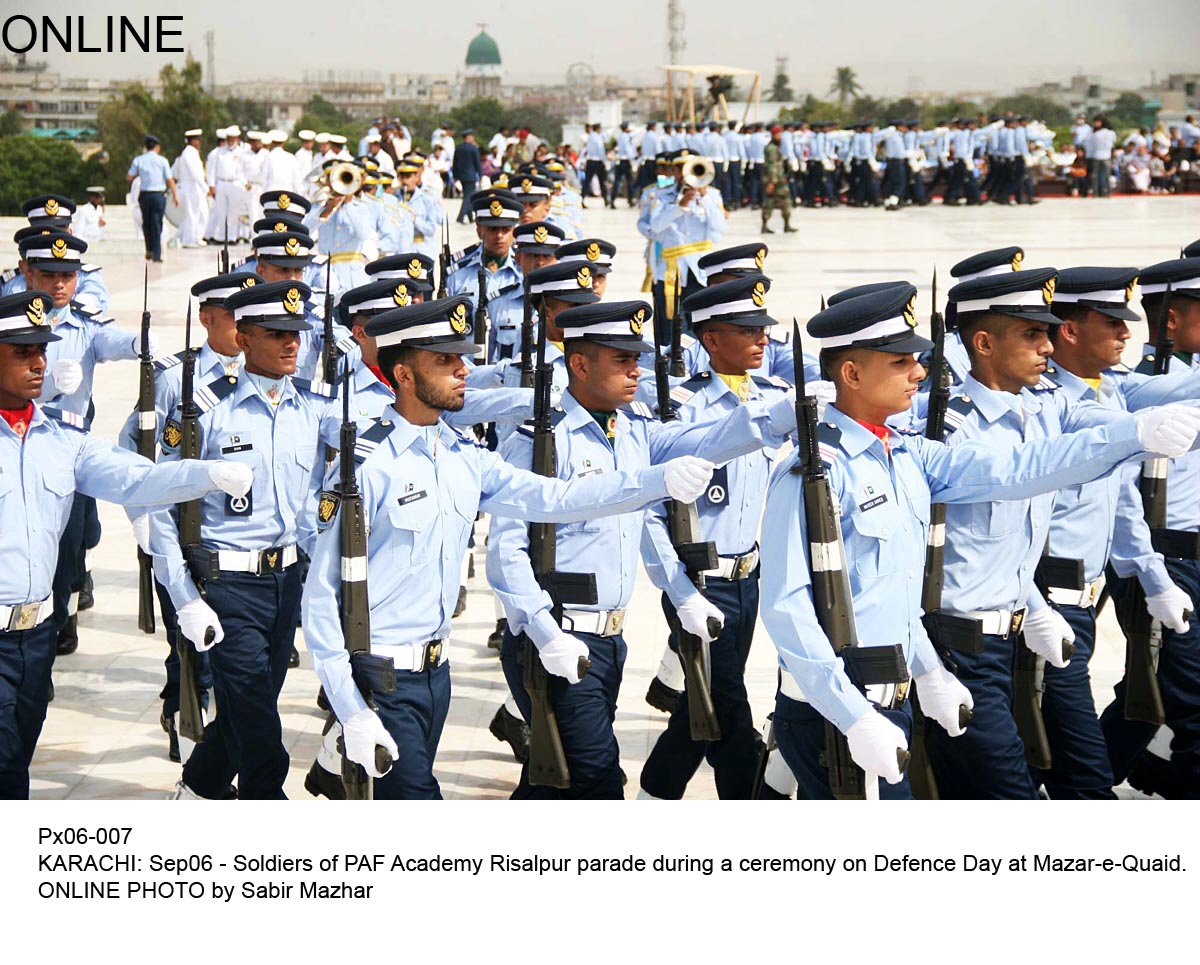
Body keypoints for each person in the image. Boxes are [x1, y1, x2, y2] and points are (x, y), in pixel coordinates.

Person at [758, 284, 1200, 800]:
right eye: (901, 362)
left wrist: (1131, 435)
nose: (920, 373)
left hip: (889, 695)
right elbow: (788, 611)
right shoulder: (813, 472)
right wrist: (853, 717)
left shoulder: (906, 455)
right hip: (836, 712)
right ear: (852, 374)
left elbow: (1012, 470)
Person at [300, 295, 716, 798]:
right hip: (380, 678)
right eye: (445, 360)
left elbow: (556, 497)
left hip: (437, 676)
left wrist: (655, 481)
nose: (463, 371)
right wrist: (349, 707)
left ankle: (332, 761)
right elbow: (321, 597)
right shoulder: (366, 464)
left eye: (462, 357)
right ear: (404, 376)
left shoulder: (463, 455)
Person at [488, 296, 800, 799]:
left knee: (555, 783)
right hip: (557, 638)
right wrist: (545, 633)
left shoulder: (633, 428)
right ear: (580, 363)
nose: (637, 371)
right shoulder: (540, 439)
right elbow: (506, 552)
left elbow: (708, 442)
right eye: (622, 360)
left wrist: (780, 415)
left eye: (636, 358)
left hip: (609, 642)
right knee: (598, 780)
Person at [925, 267, 1200, 799]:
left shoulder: (1049, 405)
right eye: (1032, 333)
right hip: (972, 637)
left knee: (1028, 772)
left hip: (1031, 618)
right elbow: (1028, 469)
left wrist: (1136, 434)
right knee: (1064, 777)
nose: (1046, 345)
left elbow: (1102, 442)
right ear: (982, 343)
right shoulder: (953, 428)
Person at [0, 289, 253, 799]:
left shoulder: (60, 437)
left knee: (18, 763)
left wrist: (204, 474)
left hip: (36, 638)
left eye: (42, 350)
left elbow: (135, 479)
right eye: (22, 351)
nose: (39, 362)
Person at [149, 281, 341, 801]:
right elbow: (156, 499)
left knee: (247, 703)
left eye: (296, 334)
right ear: (243, 336)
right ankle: (265, 799)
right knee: (257, 708)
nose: (290, 345)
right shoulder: (207, 410)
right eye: (276, 333)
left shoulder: (312, 408)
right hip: (226, 581)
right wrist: (182, 593)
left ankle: (200, 787)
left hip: (287, 578)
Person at [1035, 266, 1200, 799]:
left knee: (1079, 747)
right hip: (1043, 599)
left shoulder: (1109, 394)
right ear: (1070, 330)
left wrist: (1153, 581)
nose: (1125, 332)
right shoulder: (1042, 403)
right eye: (1111, 322)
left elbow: (1123, 502)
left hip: (1092, 590)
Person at [637, 276, 792, 799]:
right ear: (710, 339)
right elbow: (650, 513)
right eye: (746, 329)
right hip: (703, 579)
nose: (761, 338)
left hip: (752, 580)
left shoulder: (777, 399)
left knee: (702, 705)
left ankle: (653, 795)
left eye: (762, 328)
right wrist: (680, 593)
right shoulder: (684, 409)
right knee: (725, 703)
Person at [117, 271, 257, 762]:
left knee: (231, 653)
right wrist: (142, 515)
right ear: (207, 319)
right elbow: (134, 446)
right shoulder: (176, 377)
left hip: (238, 534)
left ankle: (222, 741)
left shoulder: (264, 374)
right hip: (181, 530)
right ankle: (182, 711)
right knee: (188, 639)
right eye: (233, 318)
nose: (243, 329)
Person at [1100, 256, 1200, 798]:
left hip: (1191, 556)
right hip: (1167, 560)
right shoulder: (1142, 388)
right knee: (1192, 699)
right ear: (1170, 322)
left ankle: (1081, 776)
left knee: (1153, 691)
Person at [447, 189, 526, 363]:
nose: (499, 236)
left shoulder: (524, 272)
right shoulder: (457, 273)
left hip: (510, 373)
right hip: (465, 370)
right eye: (492, 229)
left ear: (514, 231)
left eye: (505, 229)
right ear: (479, 230)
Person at [127, 135, 179, 263]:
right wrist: (175, 195)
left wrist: (142, 174)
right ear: (157, 147)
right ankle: (156, 253)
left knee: (147, 223)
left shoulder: (138, 160)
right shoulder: (162, 161)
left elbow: (129, 176)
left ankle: (149, 248)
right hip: (158, 195)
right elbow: (169, 179)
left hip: (145, 195)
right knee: (157, 223)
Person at [173, 130, 209, 249]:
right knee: (192, 214)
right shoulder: (189, 153)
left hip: (194, 187)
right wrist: (204, 186)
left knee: (200, 213)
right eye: (197, 140)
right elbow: (195, 173)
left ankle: (196, 237)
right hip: (190, 187)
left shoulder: (192, 152)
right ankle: (188, 240)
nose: (199, 142)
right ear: (192, 141)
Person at [761, 126, 796, 234]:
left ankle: (786, 225)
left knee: (784, 202)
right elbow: (772, 166)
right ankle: (766, 225)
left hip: (778, 180)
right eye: (778, 135)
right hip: (775, 181)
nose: (780, 137)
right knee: (771, 202)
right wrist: (773, 182)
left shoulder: (775, 147)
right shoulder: (772, 148)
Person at [452, 130, 483, 223]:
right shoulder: (473, 148)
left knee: (468, 195)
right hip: (471, 176)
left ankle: (470, 217)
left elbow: (455, 163)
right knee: (468, 197)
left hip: (462, 176)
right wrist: (480, 174)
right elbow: (478, 163)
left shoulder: (458, 148)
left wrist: (455, 175)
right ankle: (460, 216)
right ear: (469, 137)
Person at [582, 124, 609, 208]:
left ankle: (582, 199)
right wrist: (604, 161)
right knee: (602, 181)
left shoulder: (590, 136)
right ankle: (606, 200)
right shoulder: (598, 137)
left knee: (587, 182)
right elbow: (601, 149)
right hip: (598, 161)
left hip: (590, 161)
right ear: (598, 129)